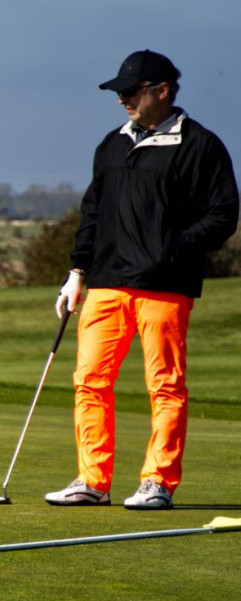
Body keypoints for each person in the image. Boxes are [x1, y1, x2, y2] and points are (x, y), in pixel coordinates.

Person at [46, 50, 237, 509]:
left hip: (165, 286)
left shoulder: (200, 145)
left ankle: (158, 483)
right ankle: (92, 480)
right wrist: (76, 273)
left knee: (165, 385)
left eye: (130, 92)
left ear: (162, 91)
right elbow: (93, 213)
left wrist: (174, 248)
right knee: (89, 379)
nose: (122, 101)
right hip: (107, 283)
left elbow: (223, 215)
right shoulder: (112, 145)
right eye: (120, 93)